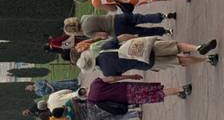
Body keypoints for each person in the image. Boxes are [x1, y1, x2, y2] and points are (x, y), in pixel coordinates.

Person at [84, 36, 218, 77]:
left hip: (145, 62)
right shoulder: (103, 49)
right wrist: (137, 38)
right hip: (144, 47)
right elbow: (121, 37)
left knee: (178, 60)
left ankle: (207, 59)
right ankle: (198, 48)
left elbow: (121, 75)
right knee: (176, 46)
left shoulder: (107, 72)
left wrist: (133, 76)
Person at [64, 12, 172, 39]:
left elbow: (104, 34)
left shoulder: (87, 32)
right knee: (141, 18)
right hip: (116, 18)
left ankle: (165, 31)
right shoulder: (84, 17)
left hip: (116, 30)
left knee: (142, 32)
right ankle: (162, 16)